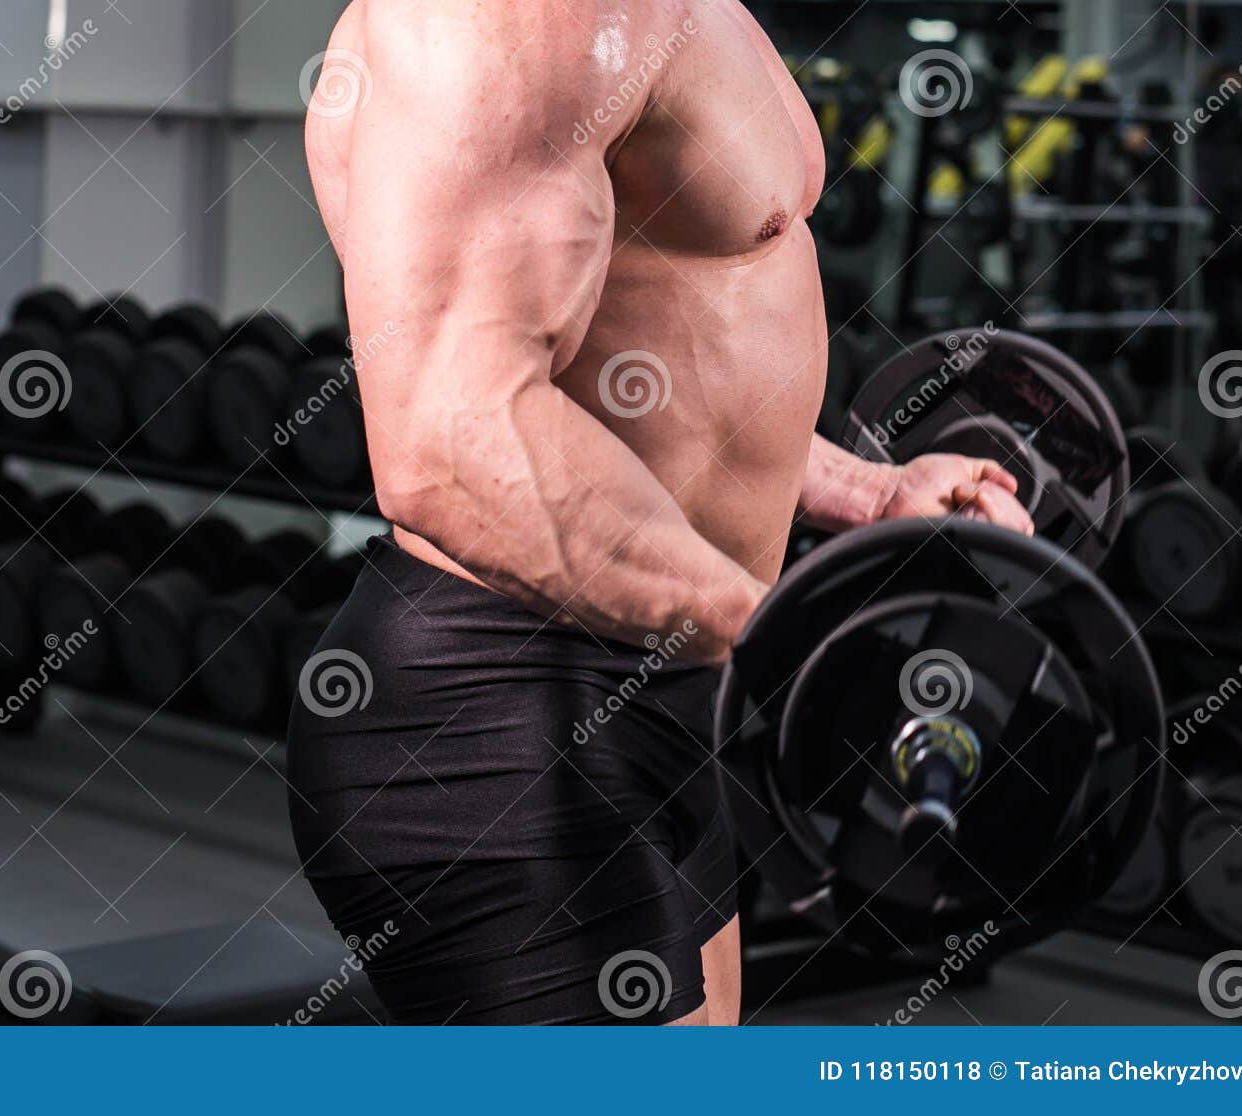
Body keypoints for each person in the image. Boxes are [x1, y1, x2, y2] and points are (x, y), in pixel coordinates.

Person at [287, 0, 1032, 1026]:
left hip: (671, 687)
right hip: (507, 717)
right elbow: (453, 440)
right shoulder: (506, 19)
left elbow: (640, 378)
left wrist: (862, 491)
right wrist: (791, 637)